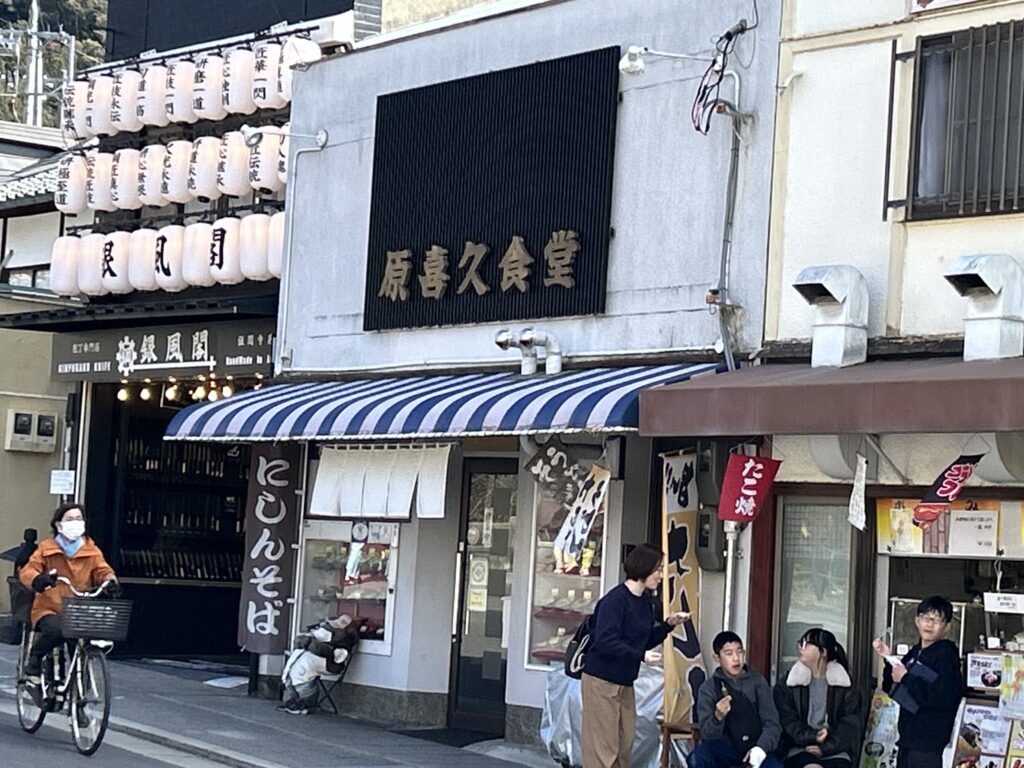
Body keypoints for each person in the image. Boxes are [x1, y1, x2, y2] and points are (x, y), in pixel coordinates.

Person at [581, 543, 688, 768]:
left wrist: (669, 625)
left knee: (624, 744)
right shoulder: (615, 600)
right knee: (604, 748)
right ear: (643, 568)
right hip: (601, 681)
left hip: (625, 681)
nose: (661, 575)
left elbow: (643, 639)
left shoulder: (644, 602)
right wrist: (640, 655)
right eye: (658, 569)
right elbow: (605, 641)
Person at [19, 503, 118, 681]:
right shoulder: (46, 548)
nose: (75, 523)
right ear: (59, 525)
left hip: (79, 609)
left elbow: (102, 570)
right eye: (70, 519)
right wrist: (38, 579)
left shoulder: (91, 550)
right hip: (50, 608)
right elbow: (29, 570)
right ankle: (35, 658)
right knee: (58, 630)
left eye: (79, 519)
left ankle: (79, 683)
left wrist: (109, 581)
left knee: (84, 639)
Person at [873, 596, 963, 768]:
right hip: (908, 737)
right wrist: (887, 657)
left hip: (928, 740)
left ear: (947, 627)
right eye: (925, 617)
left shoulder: (947, 655)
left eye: (937, 620)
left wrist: (906, 678)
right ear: (917, 621)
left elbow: (942, 696)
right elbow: (891, 685)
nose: (929, 624)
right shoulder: (915, 652)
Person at [692, 631, 784, 768]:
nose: (736, 658)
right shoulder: (709, 688)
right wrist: (718, 716)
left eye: (740, 652)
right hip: (726, 748)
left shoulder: (758, 682)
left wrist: (760, 748)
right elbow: (707, 734)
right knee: (699, 757)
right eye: (729, 654)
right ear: (717, 658)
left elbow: (772, 724)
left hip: (756, 745)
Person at [774, 628, 863, 768]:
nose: (801, 648)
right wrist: (813, 736)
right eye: (800, 643)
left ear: (823, 651)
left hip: (835, 750)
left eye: (806, 644)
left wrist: (826, 747)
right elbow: (787, 721)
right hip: (799, 748)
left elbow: (850, 724)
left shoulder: (845, 684)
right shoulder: (789, 683)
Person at [278, 615, 360, 715]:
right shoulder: (330, 632)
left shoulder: (342, 638)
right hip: (315, 659)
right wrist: (306, 641)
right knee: (293, 665)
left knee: (304, 668)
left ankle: (306, 703)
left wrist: (309, 642)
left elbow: (331, 653)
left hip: (327, 663)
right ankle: (292, 699)